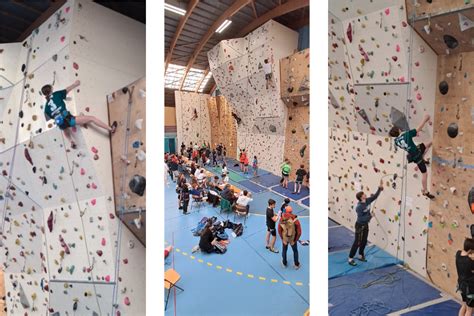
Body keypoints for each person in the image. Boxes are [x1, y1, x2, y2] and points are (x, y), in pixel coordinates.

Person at [42, 80, 117, 148]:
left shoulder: (46, 108)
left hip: (61, 123)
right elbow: (67, 89)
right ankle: (111, 129)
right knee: (92, 118)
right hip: (69, 119)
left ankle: (71, 141)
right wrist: (75, 84)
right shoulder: (56, 94)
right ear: (51, 90)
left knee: (64, 128)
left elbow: (52, 117)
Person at [389, 114, 434, 199]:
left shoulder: (396, 141)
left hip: (414, 152)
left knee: (428, 144)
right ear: (398, 130)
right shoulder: (405, 135)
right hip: (416, 155)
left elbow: (401, 139)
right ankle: (425, 191)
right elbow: (418, 129)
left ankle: (423, 160)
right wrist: (425, 119)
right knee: (425, 173)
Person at [348, 180, 383, 266]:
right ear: (361, 197)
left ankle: (360, 255)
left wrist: (380, 188)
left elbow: (375, 197)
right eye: (363, 194)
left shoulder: (367, 201)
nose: (365, 194)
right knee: (357, 242)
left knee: (364, 241)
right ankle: (350, 258)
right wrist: (370, 216)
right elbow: (362, 218)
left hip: (365, 225)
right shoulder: (359, 207)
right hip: (360, 225)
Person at [456, 238, 474, 316]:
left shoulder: (458, 254)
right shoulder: (470, 262)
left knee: (464, 305)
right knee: (470, 310)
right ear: (470, 250)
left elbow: (463, 253)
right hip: (470, 288)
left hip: (461, 285)